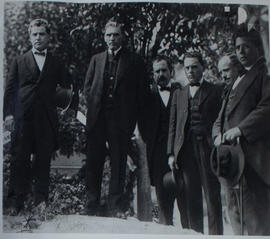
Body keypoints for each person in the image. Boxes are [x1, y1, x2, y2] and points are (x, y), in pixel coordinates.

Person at [3, 18, 71, 215]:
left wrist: (66, 105)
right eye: (35, 34)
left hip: (46, 119)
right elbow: (10, 89)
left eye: (42, 34)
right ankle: (16, 202)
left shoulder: (57, 62)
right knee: (19, 159)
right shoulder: (19, 60)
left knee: (43, 160)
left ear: (48, 37)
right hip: (23, 117)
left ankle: (41, 201)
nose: (38, 37)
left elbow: (68, 87)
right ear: (29, 36)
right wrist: (7, 115)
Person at [83, 17, 148, 218]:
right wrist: (93, 108)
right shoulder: (96, 59)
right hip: (97, 118)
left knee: (118, 162)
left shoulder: (134, 61)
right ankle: (91, 204)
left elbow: (141, 93)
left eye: (116, 35)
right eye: (109, 35)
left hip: (120, 120)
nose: (112, 38)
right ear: (104, 37)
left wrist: (131, 118)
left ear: (123, 37)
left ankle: (115, 206)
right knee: (94, 161)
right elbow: (87, 88)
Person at [212, 24, 270, 235]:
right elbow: (221, 116)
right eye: (237, 48)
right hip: (231, 161)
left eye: (246, 46)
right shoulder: (236, 80)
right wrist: (217, 134)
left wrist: (241, 129)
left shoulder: (264, 76)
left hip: (253, 161)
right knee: (235, 218)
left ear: (257, 48)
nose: (241, 52)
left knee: (256, 223)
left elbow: (267, 108)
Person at [167, 51, 223, 234]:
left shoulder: (215, 91)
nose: (190, 71)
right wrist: (171, 153)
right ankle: (196, 235)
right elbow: (173, 126)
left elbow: (220, 119)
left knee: (212, 196)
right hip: (185, 152)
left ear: (203, 68)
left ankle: (216, 236)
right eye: (187, 67)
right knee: (192, 198)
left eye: (194, 67)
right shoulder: (178, 94)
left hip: (208, 150)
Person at [140, 55, 180, 225]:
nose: (161, 74)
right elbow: (142, 123)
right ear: (153, 74)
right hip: (156, 152)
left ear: (170, 71)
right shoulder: (148, 95)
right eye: (157, 71)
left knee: (182, 192)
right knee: (162, 197)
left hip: (179, 151)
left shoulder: (180, 91)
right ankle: (165, 227)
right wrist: (152, 140)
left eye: (164, 70)